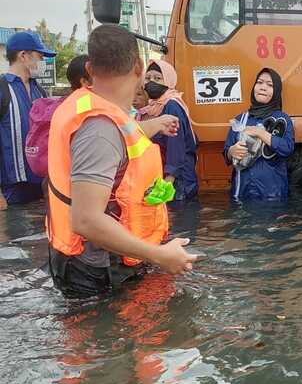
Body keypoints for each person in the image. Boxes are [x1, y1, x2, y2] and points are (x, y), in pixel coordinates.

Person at [47, 24, 195, 299]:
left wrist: (155, 125)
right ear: (139, 67)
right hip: (94, 268)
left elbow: (122, 142)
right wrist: (160, 255)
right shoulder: (99, 128)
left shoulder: (96, 108)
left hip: (107, 259)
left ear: (90, 69)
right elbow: (86, 220)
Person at [0, 31, 54, 210]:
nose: (43, 63)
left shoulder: (40, 91)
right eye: (40, 57)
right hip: (12, 191)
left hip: (41, 186)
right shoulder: (3, 89)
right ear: (23, 56)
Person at [224, 68, 295, 201]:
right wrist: (231, 151)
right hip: (242, 193)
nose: (263, 87)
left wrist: (261, 133)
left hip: (272, 196)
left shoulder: (283, 119)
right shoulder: (241, 119)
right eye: (259, 82)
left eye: (269, 85)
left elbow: (287, 148)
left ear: (276, 92)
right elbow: (227, 154)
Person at [138, 60, 199, 202]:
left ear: (169, 81)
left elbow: (176, 145)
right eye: (148, 78)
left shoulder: (172, 105)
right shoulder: (153, 107)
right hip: (166, 176)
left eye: (158, 78)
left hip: (178, 181)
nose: (151, 82)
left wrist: (168, 181)